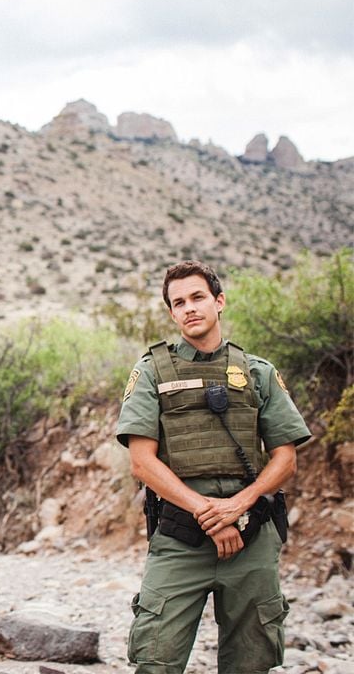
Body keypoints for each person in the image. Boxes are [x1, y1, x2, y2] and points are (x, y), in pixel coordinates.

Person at [117, 260, 311, 674]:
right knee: (156, 660)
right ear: (171, 312)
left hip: (252, 535)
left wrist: (238, 506)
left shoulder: (258, 372)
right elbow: (141, 461)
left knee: (251, 662)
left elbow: (285, 457)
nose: (189, 308)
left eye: (198, 297)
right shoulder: (151, 371)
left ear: (219, 301)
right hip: (180, 537)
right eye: (178, 302)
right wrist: (210, 514)